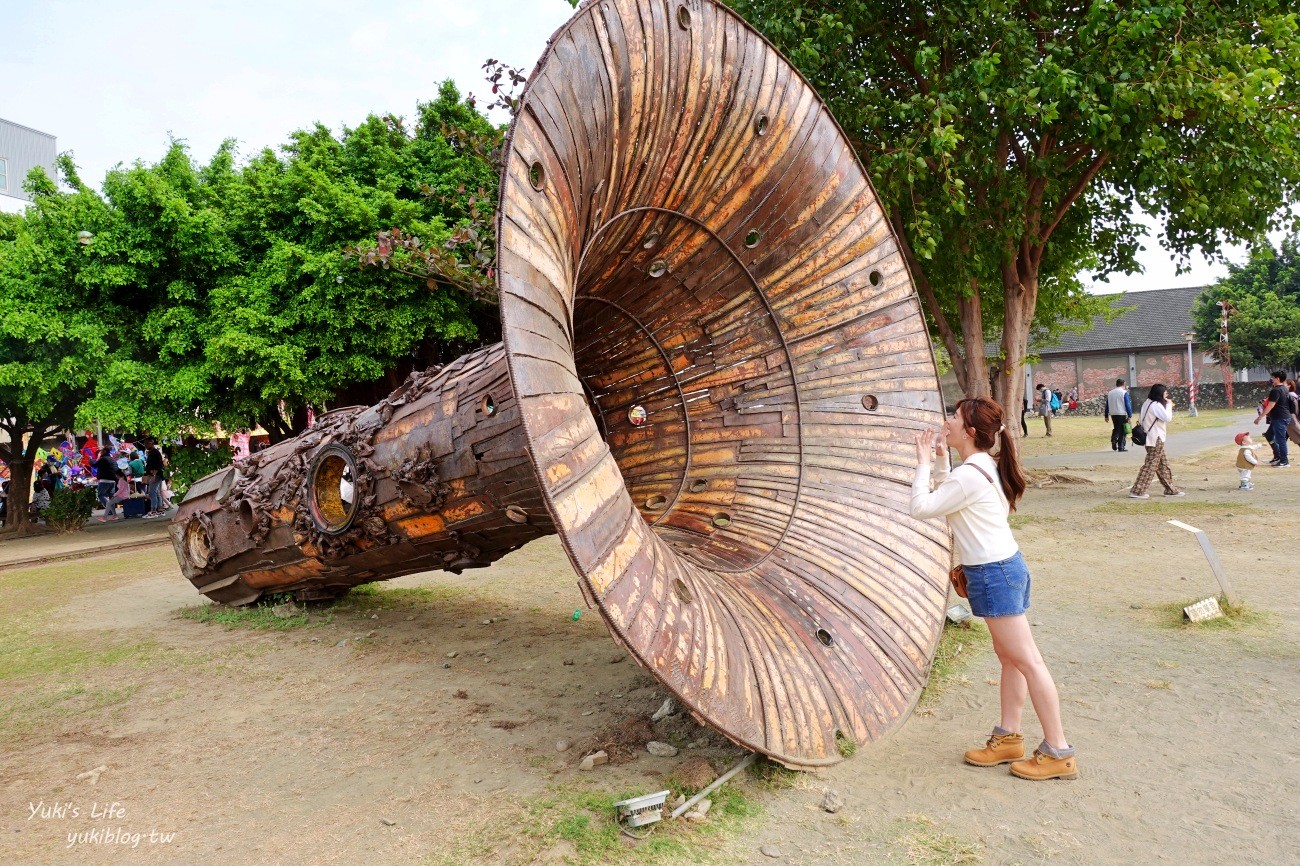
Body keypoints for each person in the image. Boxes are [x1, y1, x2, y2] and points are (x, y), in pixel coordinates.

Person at [910, 397, 1077, 781]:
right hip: (1003, 569)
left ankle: (1058, 750)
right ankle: (1008, 738)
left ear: (969, 431)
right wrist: (937, 461)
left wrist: (922, 463)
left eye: (953, 417)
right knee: (1011, 659)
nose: (946, 422)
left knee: (1028, 661)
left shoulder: (971, 473)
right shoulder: (980, 466)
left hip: (994, 574)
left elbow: (922, 506)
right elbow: (948, 494)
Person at [1129, 383, 1184, 498]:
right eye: (1165, 393)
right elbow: (1167, 418)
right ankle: (1137, 491)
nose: (1166, 395)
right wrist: (1168, 405)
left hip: (1150, 437)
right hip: (1155, 438)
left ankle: (1170, 489)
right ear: (1160, 394)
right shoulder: (1156, 405)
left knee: (1162, 464)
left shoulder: (1147, 403)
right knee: (1150, 465)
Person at [1254, 371, 1292, 468]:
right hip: (1282, 417)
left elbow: (1271, 405)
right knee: (1269, 435)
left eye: (1273, 378)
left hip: (1280, 418)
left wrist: (1260, 417)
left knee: (1281, 440)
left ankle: (1284, 461)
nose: (1272, 379)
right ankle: (1278, 456)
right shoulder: (1285, 389)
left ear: (1278, 378)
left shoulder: (1276, 390)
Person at [92, 450, 121, 522]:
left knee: (101, 495)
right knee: (111, 497)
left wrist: (91, 459)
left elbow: (94, 464)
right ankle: (114, 515)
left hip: (104, 480)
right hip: (113, 480)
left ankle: (109, 511)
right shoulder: (112, 459)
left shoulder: (103, 459)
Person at [142, 438, 168, 518]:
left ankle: (153, 510)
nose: (145, 445)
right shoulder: (153, 452)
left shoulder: (154, 453)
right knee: (156, 492)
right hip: (155, 474)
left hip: (155, 474)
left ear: (151, 443)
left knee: (152, 492)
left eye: (146, 444)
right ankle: (159, 509)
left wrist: (154, 475)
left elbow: (157, 465)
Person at [1104, 378, 1132, 452]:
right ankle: (1121, 446)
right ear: (1124, 384)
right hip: (1122, 413)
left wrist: (1106, 415)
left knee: (1116, 428)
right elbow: (1127, 405)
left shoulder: (1110, 393)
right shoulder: (1124, 392)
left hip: (1113, 413)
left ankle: (1114, 439)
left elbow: (1107, 405)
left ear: (1116, 384)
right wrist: (1129, 415)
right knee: (1122, 430)